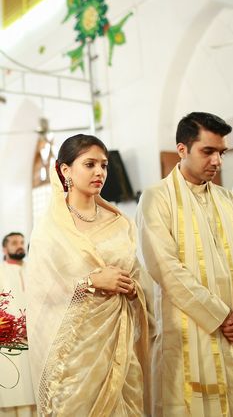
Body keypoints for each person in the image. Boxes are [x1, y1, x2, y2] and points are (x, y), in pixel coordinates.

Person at [26, 134, 152, 417]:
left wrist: (132, 289)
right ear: (65, 170)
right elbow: (40, 291)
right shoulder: (50, 229)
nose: (100, 172)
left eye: (104, 165)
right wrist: (91, 282)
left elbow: (136, 276)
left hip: (119, 342)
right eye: (90, 164)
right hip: (75, 357)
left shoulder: (121, 223)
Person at [136, 112, 233, 417]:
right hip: (188, 331)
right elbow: (165, 269)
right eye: (208, 151)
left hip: (232, 330)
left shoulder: (227, 199)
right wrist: (221, 316)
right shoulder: (156, 198)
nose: (217, 161)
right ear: (182, 149)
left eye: (221, 152)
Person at [0, 232, 36, 417]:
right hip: (7, 345)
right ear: (5, 249)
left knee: (34, 395)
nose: (20, 245)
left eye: (22, 242)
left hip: (35, 342)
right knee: (10, 394)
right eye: (14, 243)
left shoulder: (35, 271)